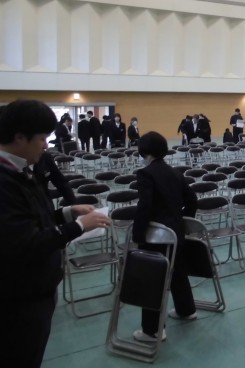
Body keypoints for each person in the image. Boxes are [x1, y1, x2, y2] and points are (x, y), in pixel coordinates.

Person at [0, 99, 110, 367]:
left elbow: (33, 219)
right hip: (19, 296)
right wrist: (80, 226)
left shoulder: (21, 169)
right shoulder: (5, 181)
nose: (46, 145)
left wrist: (67, 213)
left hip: (36, 289)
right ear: (19, 138)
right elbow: (26, 242)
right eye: (41, 138)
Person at [132, 131, 198, 342]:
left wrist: (138, 235)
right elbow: (192, 200)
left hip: (156, 235)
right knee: (178, 272)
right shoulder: (175, 172)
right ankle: (186, 310)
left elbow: (144, 206)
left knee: (153, 279)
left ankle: (152, 330)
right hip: (175, 233)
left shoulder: (145, 174)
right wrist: (183, 221)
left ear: (145, 152)